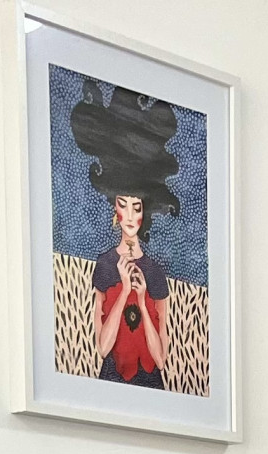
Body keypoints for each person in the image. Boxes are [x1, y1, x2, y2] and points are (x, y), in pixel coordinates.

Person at [68, 82, 183, 386]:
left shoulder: (155, 273)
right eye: (123, 205)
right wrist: (122, 291)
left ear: (145, 210)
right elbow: (103, 347)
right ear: (114, 208)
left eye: (137, 207)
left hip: (151, 386)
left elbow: (161, 359)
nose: (130, 215)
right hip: (111, 384)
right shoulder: (105, 266)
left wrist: (143, 301)